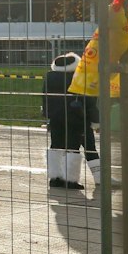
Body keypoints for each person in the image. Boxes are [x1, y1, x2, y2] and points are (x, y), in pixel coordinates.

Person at [42, 51, 86, 189]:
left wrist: (47, 113)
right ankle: (71, 179)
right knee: (73, 147)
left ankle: (55, 178)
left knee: (56, 145)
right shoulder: (77, 77)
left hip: (55, 116)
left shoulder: (49, 76)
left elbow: (44, 96)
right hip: (74, 116)